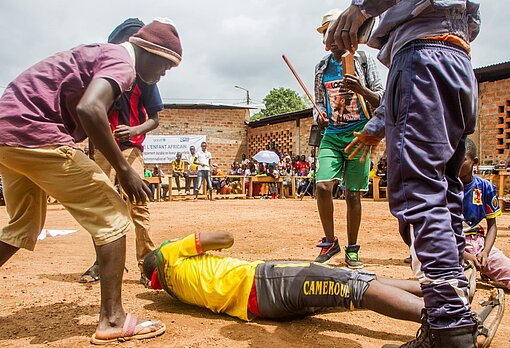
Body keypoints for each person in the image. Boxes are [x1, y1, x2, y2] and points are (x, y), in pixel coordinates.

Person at [0, 17, 182, 344]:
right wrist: (124, 170)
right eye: (166, 64)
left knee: (23, 226)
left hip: (8, 132)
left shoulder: (101, 56)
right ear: (149, 51)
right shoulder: (121, 62)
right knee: (112, 213)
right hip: (35, 132)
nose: (164, 73)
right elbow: (89, 108)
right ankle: (113, 319)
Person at [328, 1, 481, 346]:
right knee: (447, 192)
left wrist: (361, 8)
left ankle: (449, 327)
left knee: (421, 192)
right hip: (458, 61)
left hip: (422, 59)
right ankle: (454, 313)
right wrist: (381, 121)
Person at [142, 231, 501, 347]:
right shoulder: (170, 254)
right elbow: (227, 238)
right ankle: (450, 325)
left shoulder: (170, 291)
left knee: (349, 288)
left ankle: (432, 290)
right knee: (351, 286)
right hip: (264, 282)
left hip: (263, 306)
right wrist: (201, 244)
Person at [79, 18, 164, 285]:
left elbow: (155, 118)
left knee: (138, 202)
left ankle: (146, 264)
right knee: (99, 204)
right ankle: (100, 263)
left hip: (131, 148)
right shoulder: (105, 71)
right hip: (103, 146)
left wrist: (135, 129)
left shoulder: (146, 77)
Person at [313, 9, 383, 267]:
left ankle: (352, 248)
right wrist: (318, 113)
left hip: (359, 135)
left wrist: (360, 89)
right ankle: (330, 242)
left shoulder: (363, 59)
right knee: (322, 186)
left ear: (346, 33)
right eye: (325, 35)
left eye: (333, 33)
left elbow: (381, 97)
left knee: (353, 194)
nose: (330, 40)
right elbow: (319, 102)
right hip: (331, 134)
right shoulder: (322, 67)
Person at [461, 138, 510, 290]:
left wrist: (486, 252)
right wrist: (464, 255)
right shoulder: (444, 188)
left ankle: (486, 269)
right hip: (453, 246)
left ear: (474, 162)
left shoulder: (485, 187)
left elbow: (492, 225)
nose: (456, 164)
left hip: (479, 244)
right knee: (456, 285)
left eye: (462, 159)